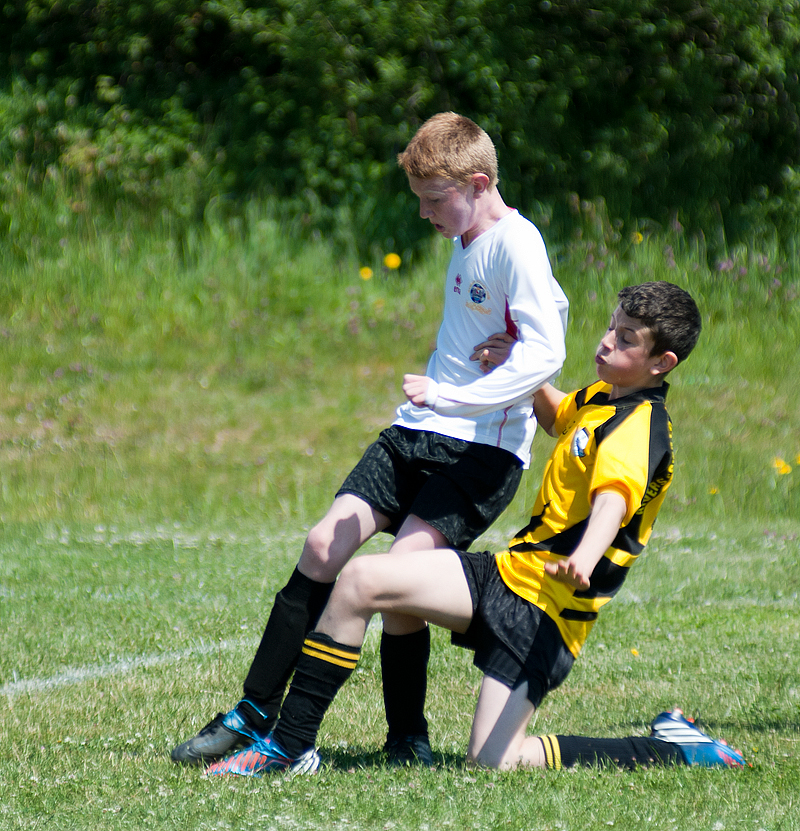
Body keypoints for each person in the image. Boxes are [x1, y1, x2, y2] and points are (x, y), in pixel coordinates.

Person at [203, 281, 746, 777]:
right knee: (364, 580)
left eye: (626, 338)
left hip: (546, 615)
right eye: (610, 326)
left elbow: (613, 500)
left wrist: (585, 556)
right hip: (509, 576)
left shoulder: (639, 428)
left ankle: (675, 750)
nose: (606, 342)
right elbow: (561, 418)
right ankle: (292, 745)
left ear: (662, 362)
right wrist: (525, 371)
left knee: (495, 760)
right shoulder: (604, 399)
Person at [171, 112, 569, 767]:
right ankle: (251, 713)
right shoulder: (469, 230)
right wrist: (502, 351)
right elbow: (540, 317)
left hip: (480, 452)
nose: (423, 214)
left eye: (432, 200)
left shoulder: (516, 242)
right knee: (325, 542)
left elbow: (547, 347)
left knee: (395, 580)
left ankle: (399, 737)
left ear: (477, 182)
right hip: (415, 433)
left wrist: (458, 392)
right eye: (419, 199)